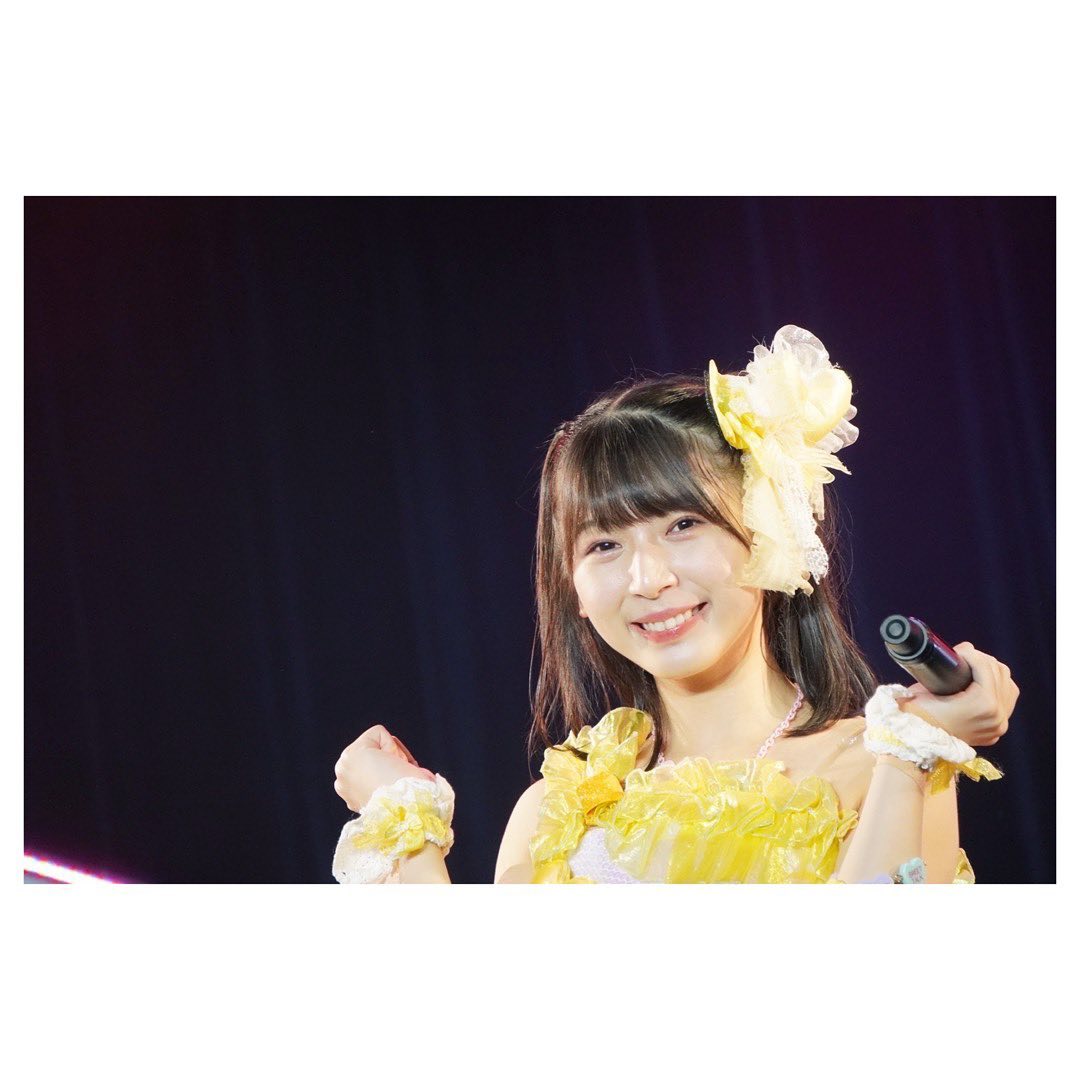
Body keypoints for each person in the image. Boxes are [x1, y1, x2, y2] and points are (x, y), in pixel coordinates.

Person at [331, 325, 1018, 884]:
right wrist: (405, 832)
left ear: (770, 529)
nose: (647, 578)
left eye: (683, 525)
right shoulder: (554, 814)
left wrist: (910, 757)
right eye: (604, 545)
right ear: (572, 586)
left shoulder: (879, 768)